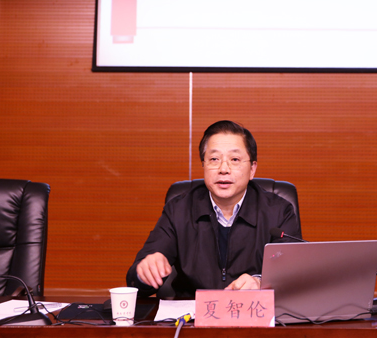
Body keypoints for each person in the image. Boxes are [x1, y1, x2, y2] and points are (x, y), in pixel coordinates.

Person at [126, 120, 301, 298]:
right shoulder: (178, 210)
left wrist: (261, 282)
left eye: (234, 160)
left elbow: (293, 274)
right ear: (204, 165)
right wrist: (145, 272)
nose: (223, 169)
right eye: (214, 159)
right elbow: (135, 280)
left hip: (254, 310)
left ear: (252, 169)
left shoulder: (278, 211)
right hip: (192, 312)